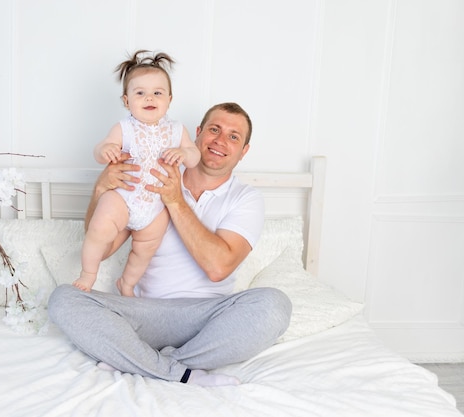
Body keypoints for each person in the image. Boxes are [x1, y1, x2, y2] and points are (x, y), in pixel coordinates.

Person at [49, 102, 292, 387]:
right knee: (63, 299)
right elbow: (102, 249)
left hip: (209, 319)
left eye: (233, 136)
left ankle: (139, 361)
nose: (220, 141)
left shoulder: (246, 198)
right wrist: (101, 189)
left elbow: (218, 267)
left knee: (274, 306)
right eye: (214, 129)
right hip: (143, 314)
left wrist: (175, 199)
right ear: (198, 134)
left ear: (243, 151)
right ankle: (177, 371)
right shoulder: (151, 176)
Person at [73, 50, 200, 296]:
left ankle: (127, 284)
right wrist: (106, 149)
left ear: (170, 99)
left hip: (156, 206)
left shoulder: (177, 130)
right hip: (123, 196)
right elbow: (98, 150)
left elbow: (194, 157)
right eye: (140, 92)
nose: (149, 98)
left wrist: (185, 154)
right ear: (126, 101)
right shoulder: (124, 128)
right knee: (99, 231)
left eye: (157, 93)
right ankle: (88, 274)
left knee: (145, 249)